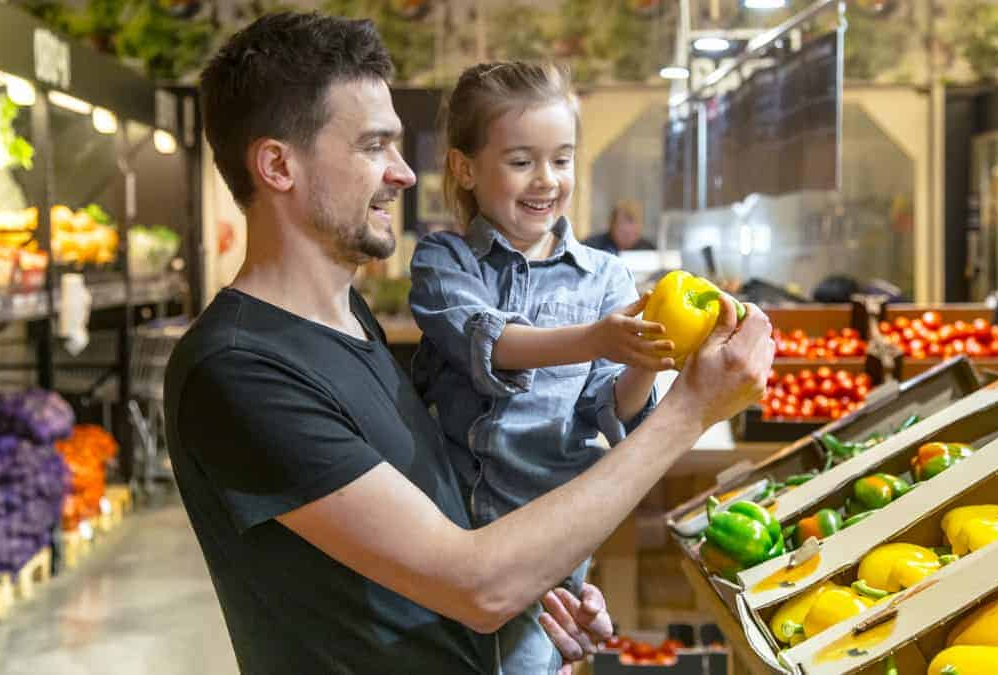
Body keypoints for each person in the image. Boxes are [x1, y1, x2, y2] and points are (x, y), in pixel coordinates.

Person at [164, 12, 774, 675]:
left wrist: (539, 593)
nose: (403, 173)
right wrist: (689, 411)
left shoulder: (348, 324)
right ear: (278, 165)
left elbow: (447, 549)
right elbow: (477, 585)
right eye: (374, 146)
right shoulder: (240, 369)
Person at [408, 61, 673, 674]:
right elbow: (489, 341)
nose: (547, 180)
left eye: (562, 159)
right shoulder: (444, 261)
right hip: (447, 532)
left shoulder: (604, 276)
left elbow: (612, 409)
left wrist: (643, 357)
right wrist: (598, 338)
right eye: (522, 161)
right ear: (465, 168)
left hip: (551, 540)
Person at [582, 200, 656, 255]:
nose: (627, 231)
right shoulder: (591, 247)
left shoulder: (649, 251)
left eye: (632, 231)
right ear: (612, 225)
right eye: (621, 227)